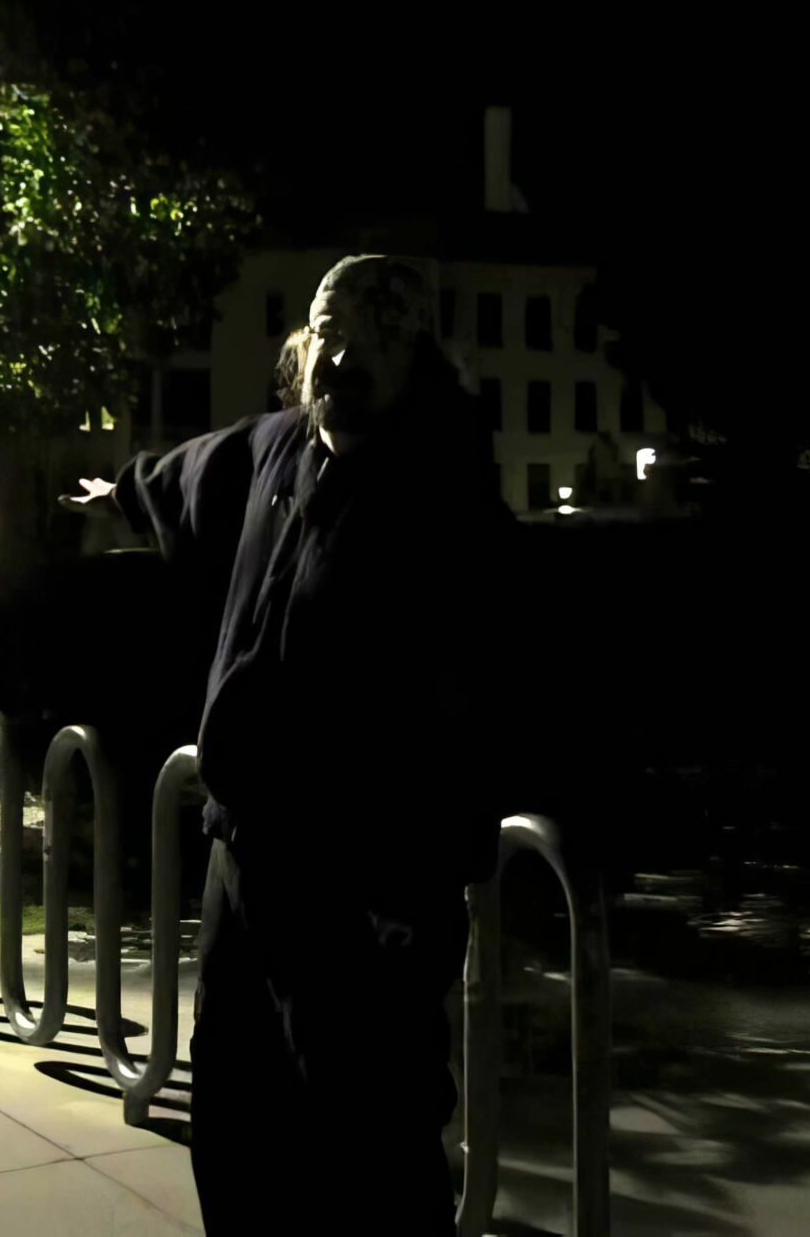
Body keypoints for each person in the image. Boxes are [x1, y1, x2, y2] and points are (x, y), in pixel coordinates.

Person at [61, 254, 522, 1233]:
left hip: (364, 889)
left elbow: (482, 702)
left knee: (372, 1147)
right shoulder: (273, 453)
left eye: (378, 333)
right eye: (328, 329)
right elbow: (176, 481)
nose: (344, 354)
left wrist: (417, 895)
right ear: (301, 344)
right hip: (247, 862)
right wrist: (116, 501)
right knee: (235, 1116)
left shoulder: (446, 502)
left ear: (418, 355)